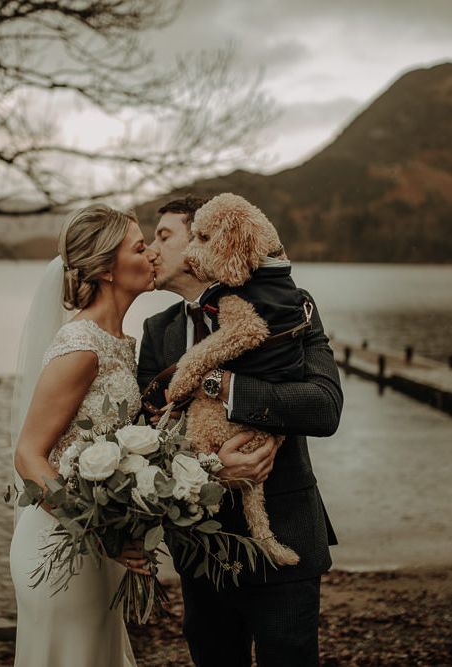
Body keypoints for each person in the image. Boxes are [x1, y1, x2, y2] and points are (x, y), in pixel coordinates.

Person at [138, 195, 343, 667]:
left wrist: (221, 384)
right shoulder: (157, 331)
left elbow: (325, 407)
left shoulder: (291, 304)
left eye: (163, 237)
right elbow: (147, 430)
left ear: (202, 242)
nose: (151, 250)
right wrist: (210, 470)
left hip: (286, 537)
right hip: (200, 553)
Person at [9, 204, 156, 667]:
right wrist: (100, 534)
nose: (151, 253)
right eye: (139, 246)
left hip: (94, 548)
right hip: (61, 546)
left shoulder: (120, 342)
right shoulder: (81, 348)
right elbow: (29, 456)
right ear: (108, 267)